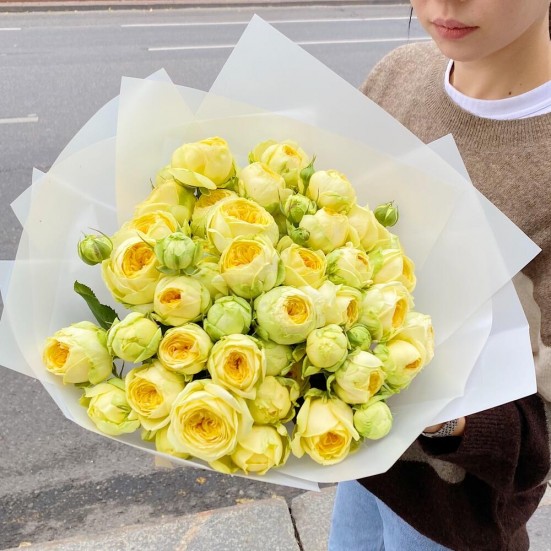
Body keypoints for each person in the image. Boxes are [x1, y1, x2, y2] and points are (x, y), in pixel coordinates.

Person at [329, 1, 551, 550]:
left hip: (460, 506)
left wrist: (438, 416)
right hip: (362, 466)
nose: (445, 4)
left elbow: (540, 434)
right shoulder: (397, 75)